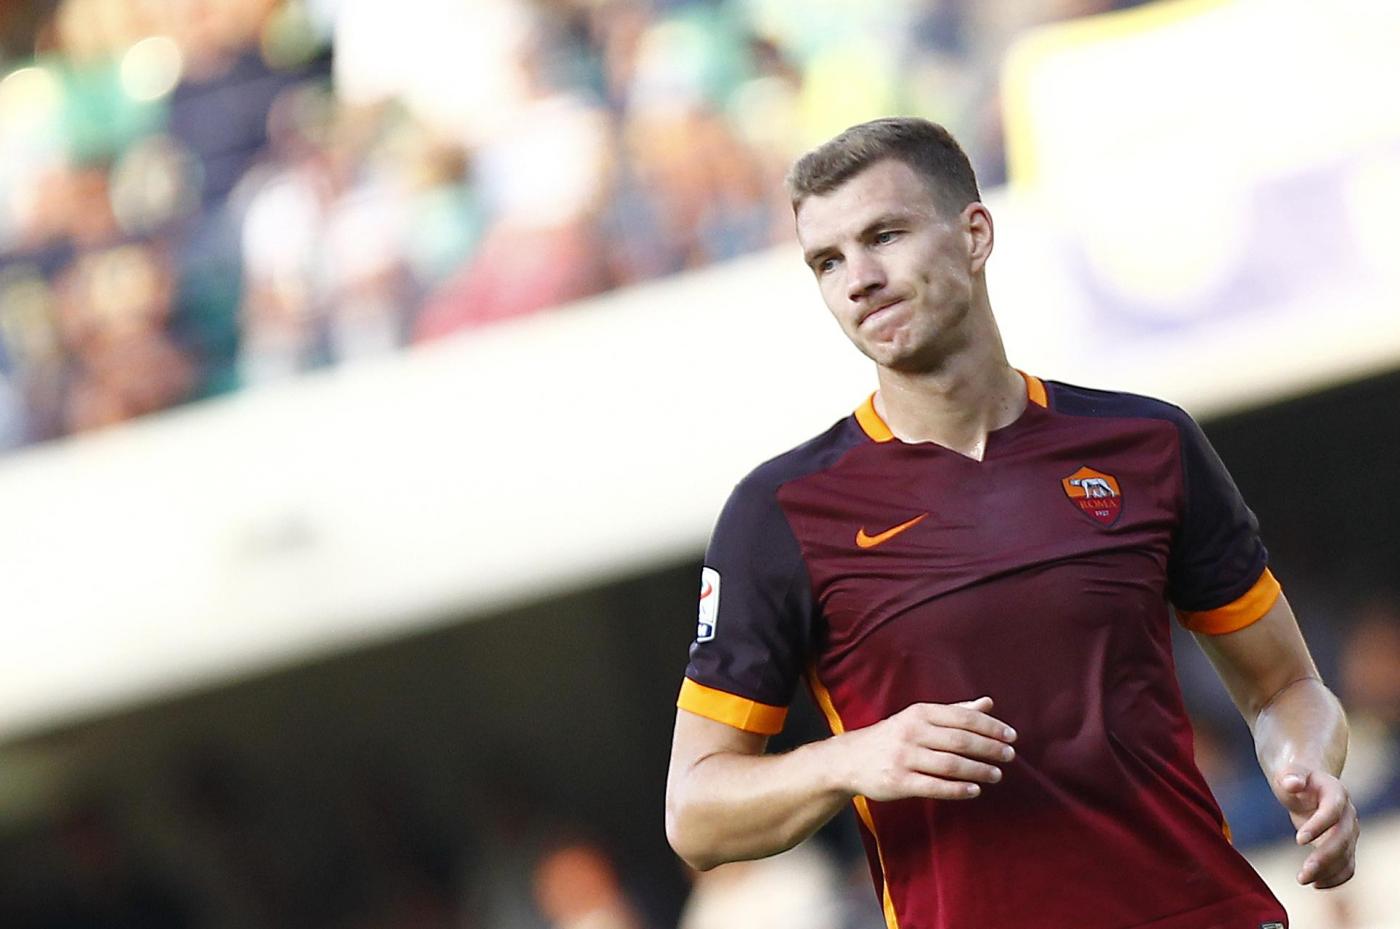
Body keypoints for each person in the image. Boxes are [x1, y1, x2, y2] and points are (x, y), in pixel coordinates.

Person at [664, 117, 1359, 929]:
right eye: (828, 260)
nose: (859, 279)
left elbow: (1285, 686)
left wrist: (1306, 763)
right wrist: (851, 758)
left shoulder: (1148, 443)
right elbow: (696, 811)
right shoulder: (781, 512)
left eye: (883, 236)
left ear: (975, 234)